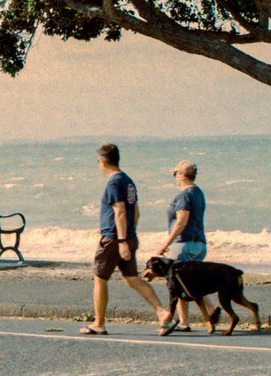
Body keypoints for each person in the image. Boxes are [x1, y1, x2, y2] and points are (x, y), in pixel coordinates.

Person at [80, 144, 176, 335]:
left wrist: (122, 242)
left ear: (103, 161)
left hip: (114, 239)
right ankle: (162, 311)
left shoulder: (114, 183)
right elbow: (136, 213)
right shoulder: (128, 181)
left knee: (100, 278)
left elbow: (121, 212)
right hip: (128, 236)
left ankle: (99, 323)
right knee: (132, 279)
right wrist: (130, 236)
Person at [157, 160, 217, 331]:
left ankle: (184, 322)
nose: (175, 177)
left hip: (183, 244)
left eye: (175, 174)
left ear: (183, 175)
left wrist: (166, 244)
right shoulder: (198, 192)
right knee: (192, 283)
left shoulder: (184, 195)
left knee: (178, 283)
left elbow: (181, 222)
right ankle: (211, 309)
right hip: (199, 244)